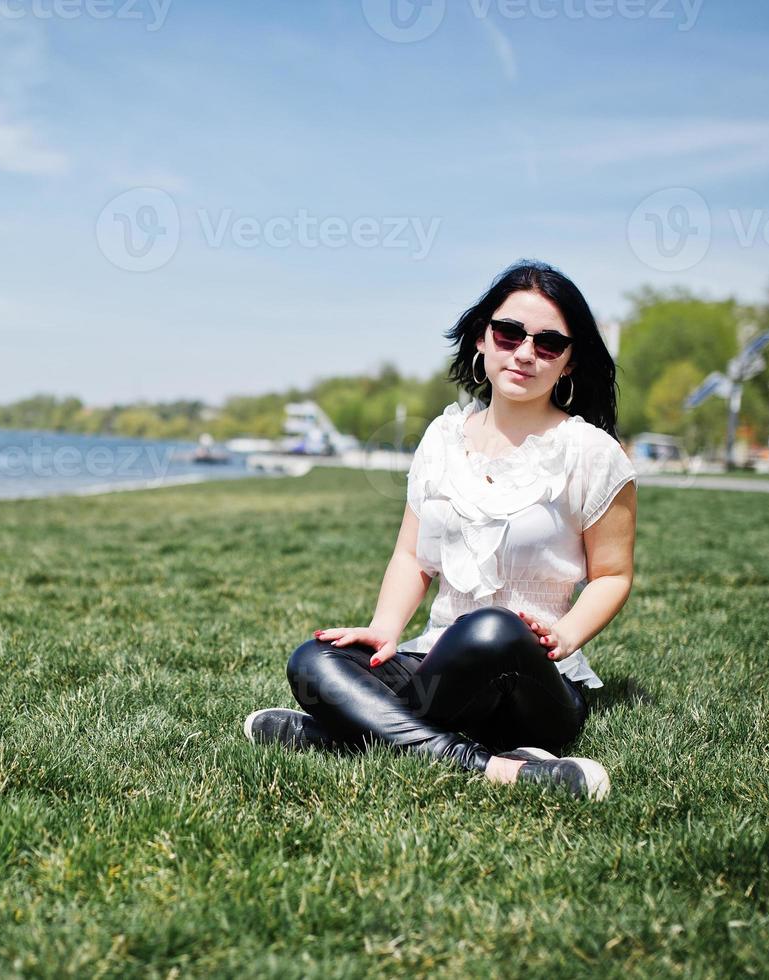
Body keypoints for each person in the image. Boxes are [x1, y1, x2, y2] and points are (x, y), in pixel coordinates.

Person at [243, 260, 638, 800]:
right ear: (483, 338)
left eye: (549, 343)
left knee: (491, 630)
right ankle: (493, 766)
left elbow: (612, 575)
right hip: (437, 664)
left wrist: (565, 636)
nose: (524, 352)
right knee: (314, 660)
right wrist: (385, 628)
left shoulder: (593, 453)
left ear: (569, 363)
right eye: (509, 333)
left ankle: (337, 734)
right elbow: (412, 556)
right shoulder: (443, 438)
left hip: (532, 681)